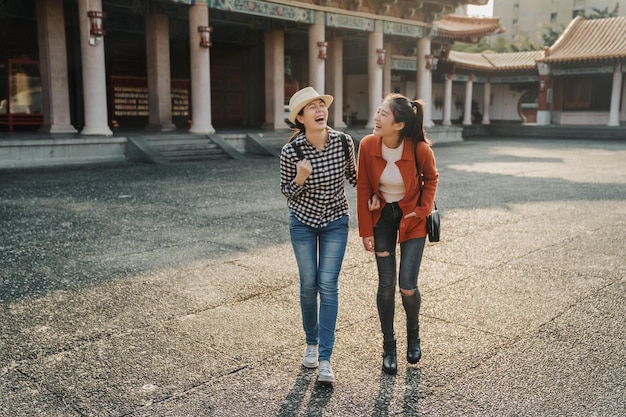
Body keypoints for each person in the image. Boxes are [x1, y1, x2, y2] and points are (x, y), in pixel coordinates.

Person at [279, 86, 357, 384]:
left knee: (328, 283)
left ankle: (325, 358)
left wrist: (381, 191)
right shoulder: (291, 151)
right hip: (303, 221)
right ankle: (310, 344)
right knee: (309, 283)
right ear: (300, 118)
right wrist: (300, 178)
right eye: (311, 107)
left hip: (336, 219)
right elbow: (287, 191)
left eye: (321, 105)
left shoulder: (343, 142)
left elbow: (355, 177)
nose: (319, 110)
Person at [356, 94, 439, 375]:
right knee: (386, 284)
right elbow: (364, 187)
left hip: (412, 220)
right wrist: (365, 230)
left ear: (400, 124)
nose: (376, 119)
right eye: (377, 112)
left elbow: (432, 179)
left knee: (407, 285)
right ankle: (388, 346)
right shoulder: (367, 145)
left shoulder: (419, 149)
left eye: (383, 115)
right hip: (382, 218)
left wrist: (423, 210)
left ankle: (413, 335)